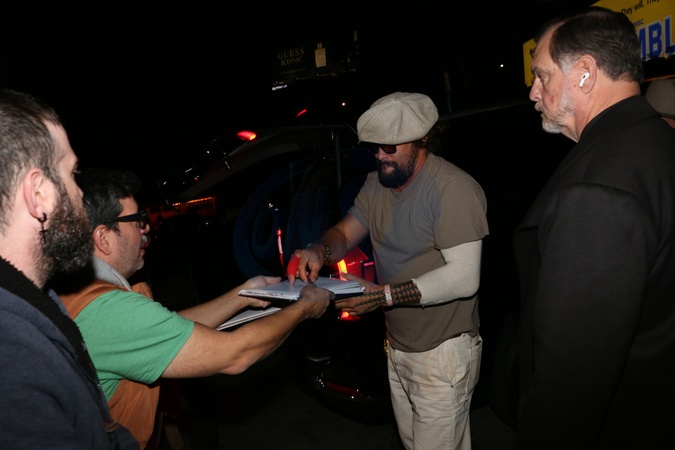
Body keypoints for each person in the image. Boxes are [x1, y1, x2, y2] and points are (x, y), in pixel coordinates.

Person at [54, 168, 330, 449]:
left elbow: (168, 328)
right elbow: (236, 354)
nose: (145, 227)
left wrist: (244, 295)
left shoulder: (77, 289)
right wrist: (304, 307)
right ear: (103, 237)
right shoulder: (111, 311)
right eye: (137, 220)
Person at [288, 92, 489, 449]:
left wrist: (382, 296)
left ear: (422, 139)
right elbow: (344, 233)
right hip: (398, 348)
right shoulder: (377, 183)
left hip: (442, 355)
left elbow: (464, 276)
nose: (380, 155)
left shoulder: (453, 189)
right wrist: (319, 250)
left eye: (390, 147)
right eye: (375, 146)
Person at [513, 7, 675, 449]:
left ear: (584, 72)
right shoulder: (657, 143)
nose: (533, 91)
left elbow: (572, 379)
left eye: (542, 75)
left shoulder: (600, 187)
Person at [0, 89, 138, 448]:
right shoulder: (11, 357)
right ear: (39, 195)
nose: (80, 193)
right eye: (73, 174)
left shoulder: (34, 299)